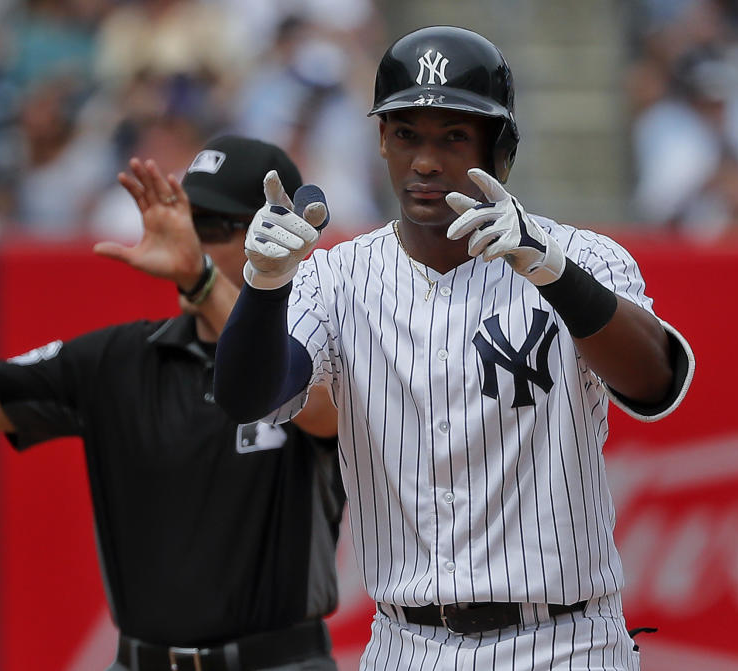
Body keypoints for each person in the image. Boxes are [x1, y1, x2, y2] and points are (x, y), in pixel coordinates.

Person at [213, 26, 695, 670]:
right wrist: (264, 287)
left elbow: (655, 384)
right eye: (407, 134)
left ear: (500, 152)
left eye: (453, 136)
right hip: (407, 644)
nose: (426, 162)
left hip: (567, 641)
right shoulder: (334, 276)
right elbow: (249, 399)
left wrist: (551, 272)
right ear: (382, 140)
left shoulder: (581, 257)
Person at [0, 135, 344, 670]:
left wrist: (203, 282)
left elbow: (309, 402)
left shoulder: (330, 359)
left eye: (213, 227)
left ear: (285, 238)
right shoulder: (118, 359)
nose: (191, 241)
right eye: (186, 219)